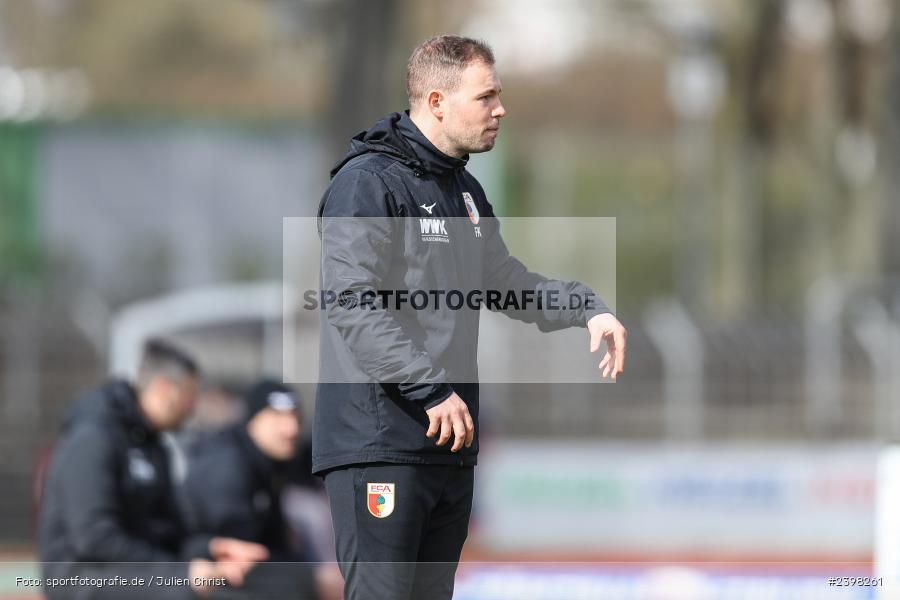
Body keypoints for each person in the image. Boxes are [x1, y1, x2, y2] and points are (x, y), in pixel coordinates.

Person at [313, 35, 628, 600]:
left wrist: (586, 309)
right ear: (436, 101)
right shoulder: (367, 183)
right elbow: (351, 303)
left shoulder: (464, 189)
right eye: (486, 97)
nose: (500, 109)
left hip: (448, 445)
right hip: (382, 442)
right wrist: (431, 390)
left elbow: (503, 281)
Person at [38, 339, 268, 600]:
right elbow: (94, 539)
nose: (192, 407)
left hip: (141, 572)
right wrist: (178, 572)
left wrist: (211, 548)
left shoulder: (153, 444)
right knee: (185, 591)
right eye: (189, 395)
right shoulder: (93, 438)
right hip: (83, 577)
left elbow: (169, 529)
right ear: (163, 388)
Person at [184, 379, 342, 600]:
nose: (291, 429)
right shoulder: (227, 465)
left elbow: (273, 543)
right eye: (277, 417)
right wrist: (314, 578)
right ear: (253, 420)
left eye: (294, 417)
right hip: (191, 572)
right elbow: (237, 552)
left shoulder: (269, 464)